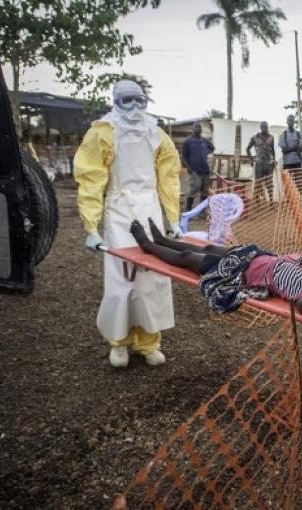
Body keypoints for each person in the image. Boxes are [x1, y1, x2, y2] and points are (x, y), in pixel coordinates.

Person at [74, 80, 182, 369]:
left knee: (152, 278)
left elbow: (168, 177)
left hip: (150, 212)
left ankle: (149, 343)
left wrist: (172, 218)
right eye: (127, 100)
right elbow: (90, 179)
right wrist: (91, 227)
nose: (134, 107)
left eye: (139, 100)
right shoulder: (101, 134)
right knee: (122, 279)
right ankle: (119, 342)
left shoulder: (157, 134)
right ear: (115, 101)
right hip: (119, 210)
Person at [129, 218, 302, 331]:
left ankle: (150, 246)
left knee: (189, 259)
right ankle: (163, 239)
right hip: (253, 257)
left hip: (239, 273)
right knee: (207, 246)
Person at [181, 122, 215, 211]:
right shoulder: (187, 141)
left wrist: (205, 154)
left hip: (205, 169)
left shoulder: (204, 140)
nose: (198, 128)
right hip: (195, 170)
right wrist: (189, 168)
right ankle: (188, 211)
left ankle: (202, 211)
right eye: (196, 126)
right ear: (192, 128)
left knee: (204, 191)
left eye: (199, 127)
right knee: (194, 189)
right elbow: (184, 156)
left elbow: (212, 147)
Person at [246, 121, 276, 200]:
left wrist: (274, 160)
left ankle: (271, 200)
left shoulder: (271, 137)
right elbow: (248, 149)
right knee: (258, 183)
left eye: (266, 127)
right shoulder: (255, 138)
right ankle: (257, 201)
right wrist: (251, 160)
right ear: (260, 127)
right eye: (262, 127)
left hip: (269, 163)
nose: (264, 128)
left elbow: (272, 150)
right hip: (259, 163)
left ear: (267, 127)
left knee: (269, 182)